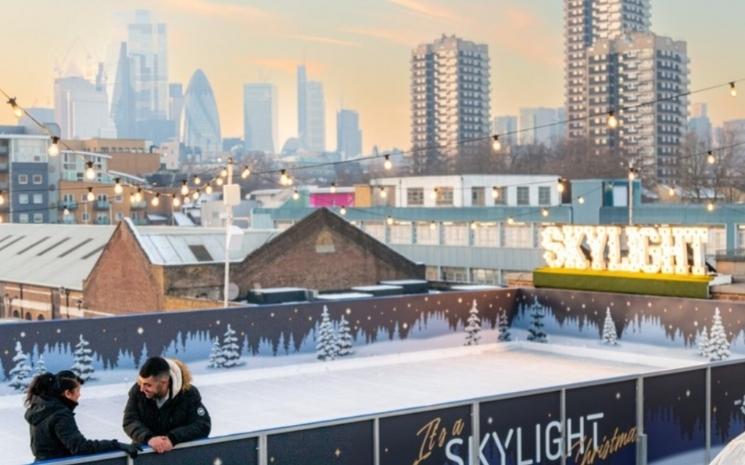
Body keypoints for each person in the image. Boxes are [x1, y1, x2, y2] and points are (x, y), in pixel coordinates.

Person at [25, 370, 140, 461]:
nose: (80, 395)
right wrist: (117, 445)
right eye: (78, 390)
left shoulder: (42, 408)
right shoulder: (59, 414)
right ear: (67, 393)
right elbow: (80, 447)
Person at [123, 356, 210, 454]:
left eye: (148, 385)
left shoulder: (188, 393)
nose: (142, 388)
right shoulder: (137, 391)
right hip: (145, 456)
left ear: (164, 382)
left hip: (179, 456)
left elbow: (202, 425)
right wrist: (149, 438)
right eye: (141, 382)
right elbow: (129, 421)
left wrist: (173, 438)